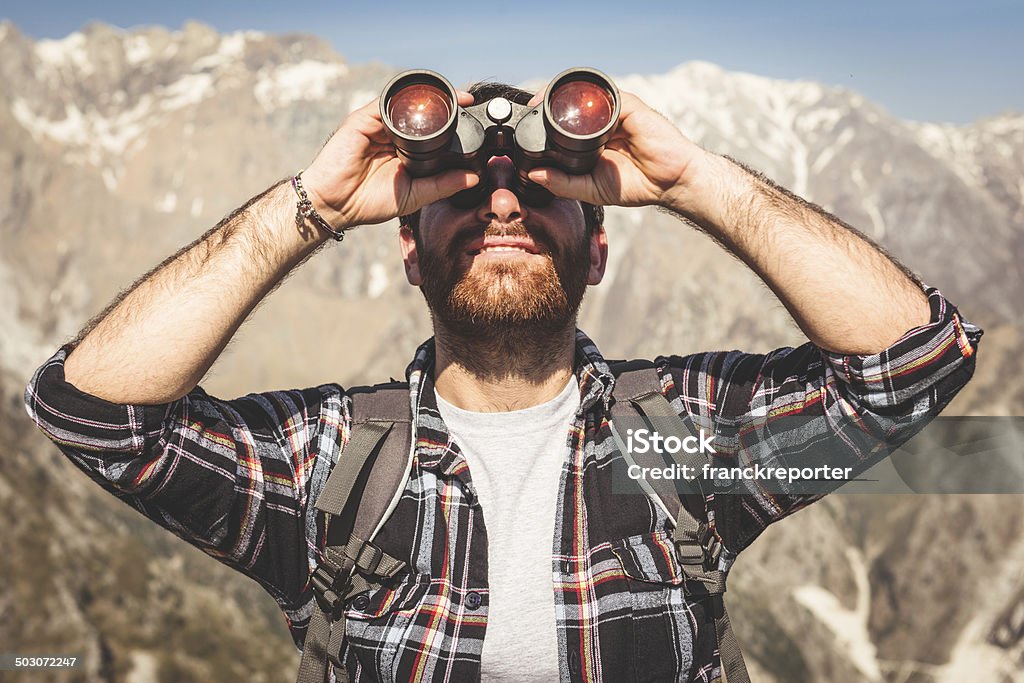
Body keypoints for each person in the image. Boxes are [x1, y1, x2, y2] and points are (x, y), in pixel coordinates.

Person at [24, 78, 981, 683]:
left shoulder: (680, 432)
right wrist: (308, 209)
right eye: (465, 190)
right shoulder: (331, 462)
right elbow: (96, 414)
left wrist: (694, 181)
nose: (505, 202)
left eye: (543, 184)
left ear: (598, 249)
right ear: (408, 248)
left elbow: (911, 365)